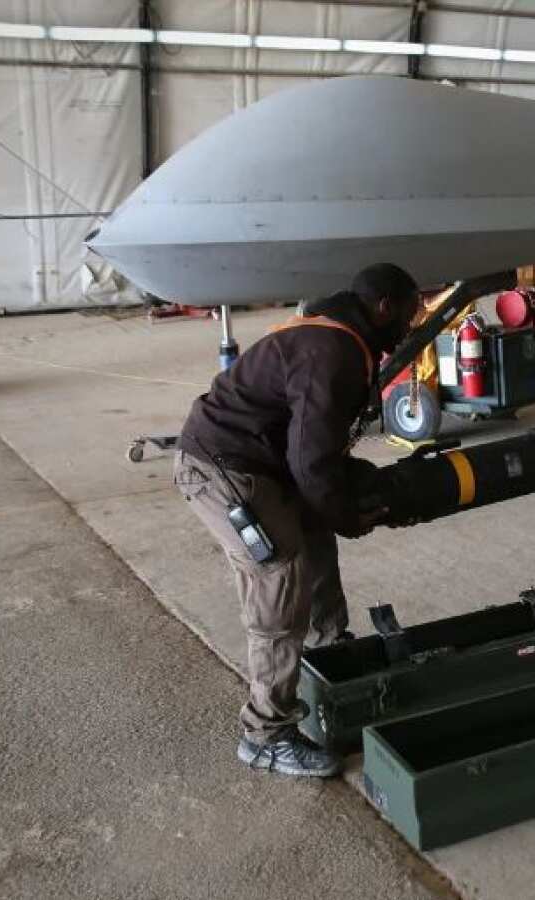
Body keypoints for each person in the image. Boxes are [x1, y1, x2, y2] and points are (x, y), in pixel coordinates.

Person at [172, 263, 421, 777]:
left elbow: (316, 447)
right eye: (408, 313)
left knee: (316, 537)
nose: (410, 325)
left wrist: (350, 496)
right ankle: (265, 735)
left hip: (263, 461)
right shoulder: (332, 349)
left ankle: (329, 655)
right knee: (279, 577)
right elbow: (311, 463)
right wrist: (347, 515)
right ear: (384, 307)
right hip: (224, 469)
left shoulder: (337, 335)